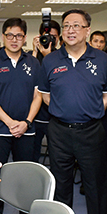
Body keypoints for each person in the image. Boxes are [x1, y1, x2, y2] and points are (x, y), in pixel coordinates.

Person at [38, 9, 107, 214]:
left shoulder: (102, 60)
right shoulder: (49, 61)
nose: (71, 30)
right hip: (59, 132)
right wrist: (65, 111)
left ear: (87, 31)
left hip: (92, 132)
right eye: (67, 25)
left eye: (77, 25)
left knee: (97, 190)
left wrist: (90, 112)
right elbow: (46, 96)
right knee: (61, 189)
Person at [0, 18, 42, 214]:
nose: (14, 39)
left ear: (25, 38)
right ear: (3, 37)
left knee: (26, 179)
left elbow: (38, 95)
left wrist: (26, 122)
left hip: (26, 131)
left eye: (19, 36)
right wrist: (9, 122)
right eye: (10, 35)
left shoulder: (33, 62)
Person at [31, 20, 61, 161]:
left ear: (59, 38)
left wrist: (48, 55)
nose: (50, 40)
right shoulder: (33, 56)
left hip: (53, 116)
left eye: (53, 37)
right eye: (46, 36)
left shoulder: (62, 57)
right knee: (32, 153)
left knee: (56, 154)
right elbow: (28, 75)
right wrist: (35, 51)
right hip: (35, 115)